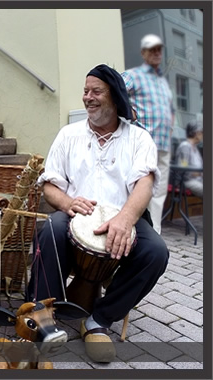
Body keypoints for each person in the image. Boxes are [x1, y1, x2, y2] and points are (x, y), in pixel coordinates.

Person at [27, 64, 169, 363]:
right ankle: (43, 314)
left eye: (96, 91)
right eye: (85, 91)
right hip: (77, 216)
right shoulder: (69, 134)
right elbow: (50, 185)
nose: (88, 97)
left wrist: (125, 219)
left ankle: (99, 320)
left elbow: (145, 184)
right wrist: (67, 203)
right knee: (50, 230)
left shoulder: (138, 138)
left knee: (155, 251)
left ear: (115, 97)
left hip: (122, 215)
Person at [122, 34, 176, 234]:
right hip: (145, 141)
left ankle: (155, 235)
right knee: (139, 189)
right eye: (152, 49)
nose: (156, 53)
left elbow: (168, 108)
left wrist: (171, 124)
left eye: (159, 50)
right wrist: (128, 112)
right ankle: (133, 230)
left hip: (163, 143)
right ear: (143, 53)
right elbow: (114, 88)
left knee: (159, 194)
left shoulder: (162, 82)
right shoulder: (134, 75)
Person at [175, 121, 203, 198]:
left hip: (197, 180)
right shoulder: (185, 147)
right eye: (202, 132)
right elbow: (183, 169)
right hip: (187, 182)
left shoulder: (195, 148)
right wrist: (199, 173)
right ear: (196, 133)